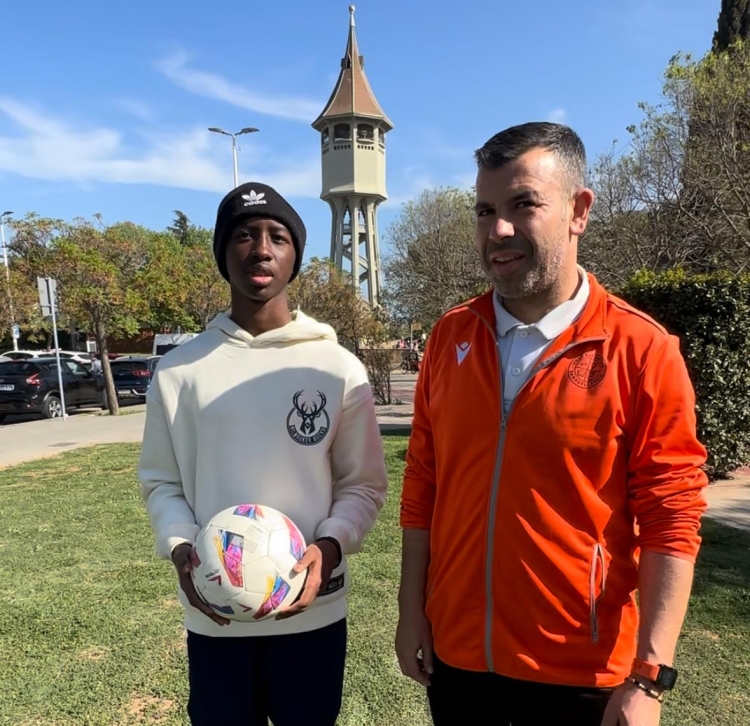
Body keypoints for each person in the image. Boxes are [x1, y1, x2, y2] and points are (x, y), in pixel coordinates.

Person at [395, 122, 708, 726]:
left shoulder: (642, 349)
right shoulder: (448, 337)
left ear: (578, 211)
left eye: (523, 204)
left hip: (582, 676)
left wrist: (649, 676)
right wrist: (413, 609)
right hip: (459, 664)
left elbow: (673, 517)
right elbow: (423, 486)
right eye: (484, 210)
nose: (499, 230)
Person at [139, 182, 388, 726]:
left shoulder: (336, 367)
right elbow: (162, 482)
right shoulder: (180, 370)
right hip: (215, 614)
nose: (261, 248)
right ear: (223, 253)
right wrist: (182, 548)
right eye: (245, 236)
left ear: (295, 256)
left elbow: (363, 484)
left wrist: (331, 545)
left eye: (277, 236)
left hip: (312, 613)